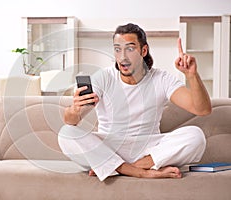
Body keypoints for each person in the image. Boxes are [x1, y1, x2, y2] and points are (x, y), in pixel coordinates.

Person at [58, 23, 211, 181]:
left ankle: (119, 167)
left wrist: (192, 75)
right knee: (66, 134)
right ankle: (140, 171)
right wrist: (75, 109)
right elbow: (70, 121)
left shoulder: (161, 79)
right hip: (109, 147)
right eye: (118, 49)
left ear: (143, 51)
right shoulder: (103, 77)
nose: (123, 56)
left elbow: (202, 110)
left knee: (196, 136)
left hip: (148, 150)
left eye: (130, 49)